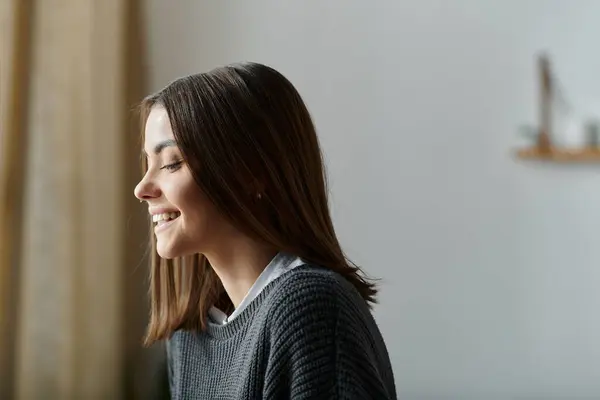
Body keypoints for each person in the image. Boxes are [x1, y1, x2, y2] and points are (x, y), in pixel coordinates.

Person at [134, 62, 397, 399]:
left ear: (250, 173)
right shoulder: (189, 334)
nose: (142, 188)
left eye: (171, 162)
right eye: (148, 163)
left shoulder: (310, 310)